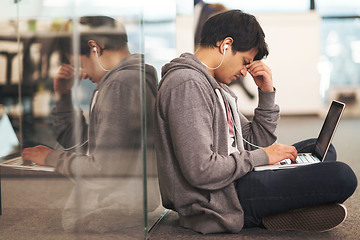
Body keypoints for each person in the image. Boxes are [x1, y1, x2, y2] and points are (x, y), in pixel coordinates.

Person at [154, 10, 357, 234]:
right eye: (245, 61)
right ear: (226, 45)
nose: (244, 72)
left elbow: (253, 142)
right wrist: (264, 158)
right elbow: (201, 170)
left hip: (235, 176)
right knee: (341, 175)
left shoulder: (213, 85)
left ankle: (282, 207)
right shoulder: (187, 85)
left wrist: (266, 93)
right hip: (221, 198)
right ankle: (263, 214)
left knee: (320, 152)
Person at [22, 16, 159, 233]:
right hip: (121, 209)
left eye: (80, 64)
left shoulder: (120, 85)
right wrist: (63, 95)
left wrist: (50, 157)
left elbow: (103, 170)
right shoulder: (132, 80)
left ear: (94, 48)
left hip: (111, 213)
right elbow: (83, 143)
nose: (83, 74)